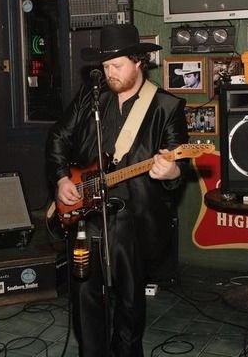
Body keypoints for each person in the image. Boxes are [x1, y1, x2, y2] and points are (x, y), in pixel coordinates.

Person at [45, 23, 188, 357]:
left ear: (139, 62)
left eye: (117, 65)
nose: (109, 73)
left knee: (129, 300)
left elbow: (179, 163)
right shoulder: (91, 97)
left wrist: (172, 170)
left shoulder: (166, 107)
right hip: (86, 216)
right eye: (106, 66)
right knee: (84, 295)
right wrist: (62, 178)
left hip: (132, 221)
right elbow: (58, 136)